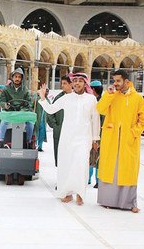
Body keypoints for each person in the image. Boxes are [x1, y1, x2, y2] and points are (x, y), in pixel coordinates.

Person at [37, 73, 100, 205]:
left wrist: (95, 138)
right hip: (67, 137)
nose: (77, 83)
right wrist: (43, 98)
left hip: (84, 137)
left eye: (80, 81)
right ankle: (67, 193)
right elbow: (51, 110)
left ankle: (80, 194)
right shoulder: (66, 98)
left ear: (85, 83)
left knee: (81, 164)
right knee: (67, 164)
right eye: (75, 81)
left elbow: (95, 119)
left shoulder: (91, 99)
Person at [96, 69, 144, 213]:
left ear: (126, 81)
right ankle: (108, 200)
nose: (116, 83)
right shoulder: (112, 95)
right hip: (111, 138)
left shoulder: (137, 98)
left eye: (118, 81)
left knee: (127, 170)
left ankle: (129, 203)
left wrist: (134, 132)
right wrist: (108, 95)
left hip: (128, 140)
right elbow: (100, 109)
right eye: (114, 81)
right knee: (111, 169)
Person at [0, 68, 34, 147]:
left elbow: (29, 103)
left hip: (22, 112)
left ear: (22, 79)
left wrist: (24, 109)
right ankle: (1, 140)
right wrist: (5, 105)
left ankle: (29, 141)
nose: (17, 79)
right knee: (4, 121)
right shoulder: (6, 89)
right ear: (12, 78)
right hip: (10, 111)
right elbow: (1, 101)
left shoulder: (25, 90)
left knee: (30, 123)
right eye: (16, 77)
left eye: (19, 77)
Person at [46, 75, 72, 165]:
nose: (62, 86)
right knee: (59, 153)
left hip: (71, 131)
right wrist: (55, 125)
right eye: (62, 83)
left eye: (65, 83)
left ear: (71, 84)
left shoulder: (75, 98)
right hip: (59, 129)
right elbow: (49, 112)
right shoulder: (58, 97)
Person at [89, 80, 104, 188]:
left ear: (93, 89)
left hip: (92, 133)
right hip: (102, 134)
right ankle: (98, 181)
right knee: (99, 157)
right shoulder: (104, 101)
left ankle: (88, 179)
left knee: (90, 156)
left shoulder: (92, 101)